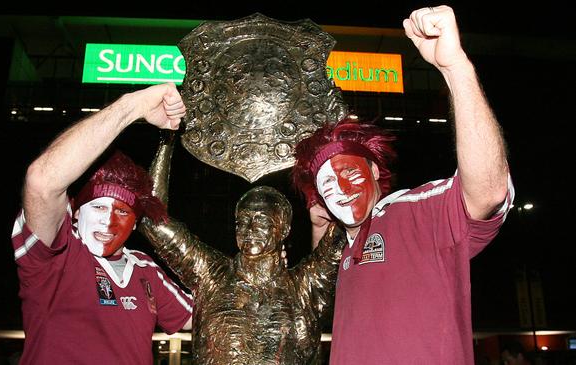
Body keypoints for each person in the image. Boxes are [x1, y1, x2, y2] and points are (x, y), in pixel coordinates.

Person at [292, 5, 515, 365]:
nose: (338, 188)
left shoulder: (417, 210)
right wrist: (320, 232)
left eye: (348, 172)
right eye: (326, 184)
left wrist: (454, 68)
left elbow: (488, 190)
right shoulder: (345, 247)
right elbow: (324, 303)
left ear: (376, 173)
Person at [11, 83, 193, 364]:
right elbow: (42, 181)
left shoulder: (145, 269)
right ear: (74, 212)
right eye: (97, 207)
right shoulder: (54, 257)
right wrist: (133, 106)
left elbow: (205, 317)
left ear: (135, 224)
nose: (108, 222)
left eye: (122, 212)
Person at [140, 137, 345, 365]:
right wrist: (167, 139)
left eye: (261, 221)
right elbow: (153, 222)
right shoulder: (211, 273)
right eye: (242, 221)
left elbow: (348, 220)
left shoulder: (306, 284)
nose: (249, 230)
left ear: (284, 228)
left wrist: (332, 157)